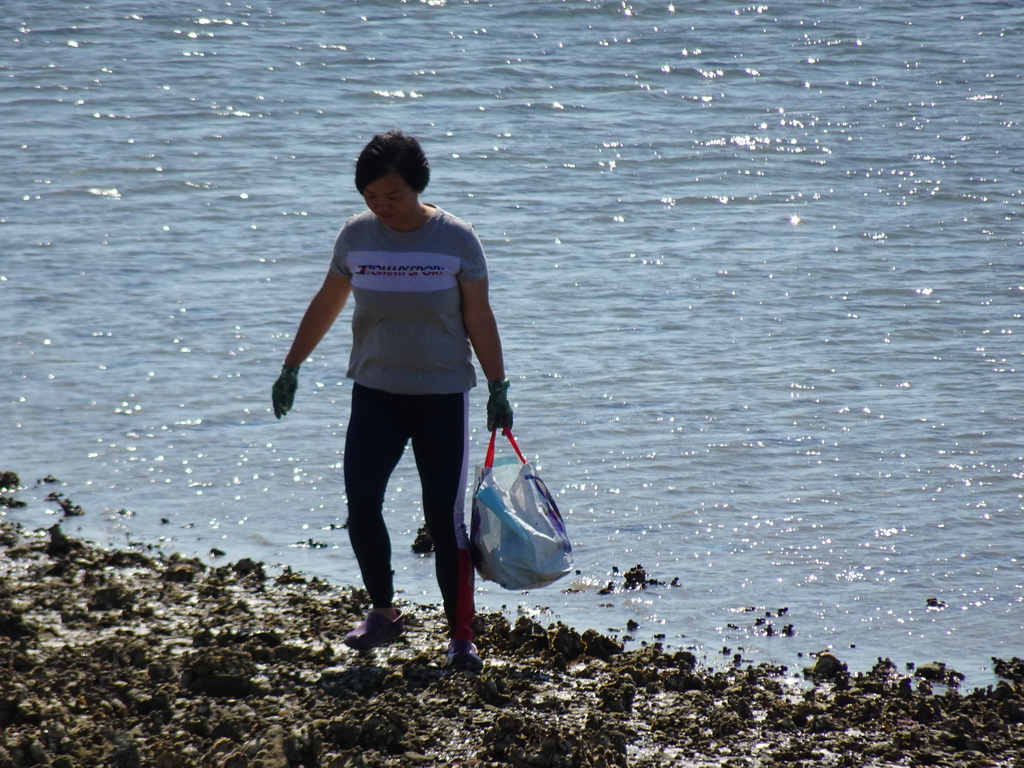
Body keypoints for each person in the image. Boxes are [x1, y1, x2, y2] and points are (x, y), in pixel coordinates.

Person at [271, 130, 513, 671]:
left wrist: (499, 385)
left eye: (393, 197)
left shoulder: (456, 240)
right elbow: (328, 301)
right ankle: (383, 612)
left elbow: (479, 316)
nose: (382, 207)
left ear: (418, 187)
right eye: (371, 198)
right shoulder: (356, 237)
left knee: (443, 520)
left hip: (442, 396)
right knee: (361, 505)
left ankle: (461, 638)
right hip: (375, 393)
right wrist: (291, 366)